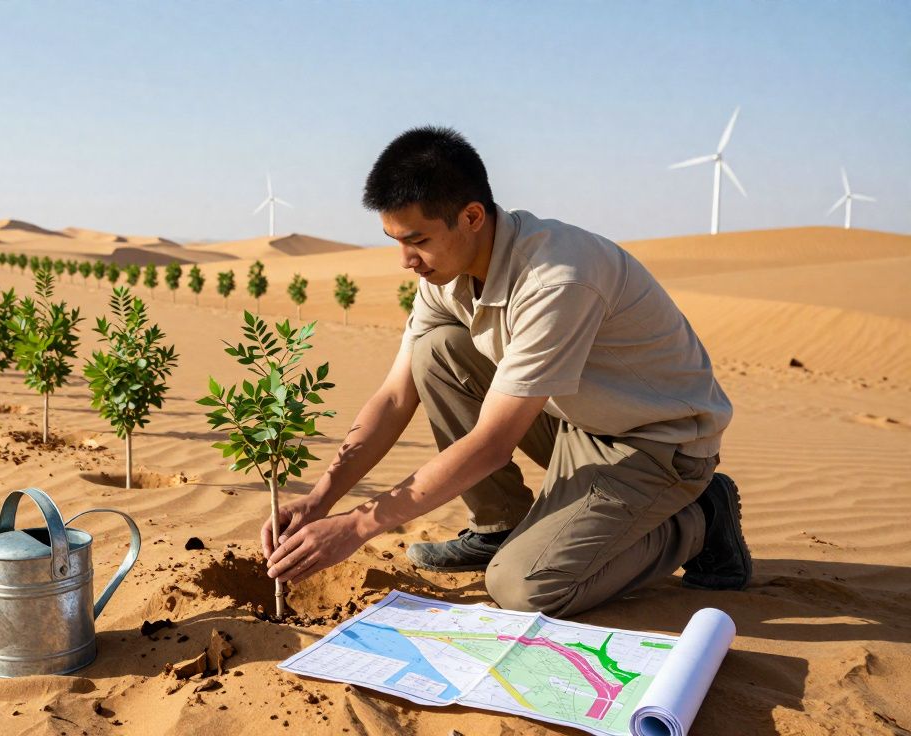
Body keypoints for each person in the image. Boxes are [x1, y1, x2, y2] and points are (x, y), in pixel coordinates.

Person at [262, 126, 750, 617]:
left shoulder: (556, 280)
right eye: (395, 241)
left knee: (525, 588)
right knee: (438, 350)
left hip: (655, 444)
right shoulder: (446, 271)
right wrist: (320, 500)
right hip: (576, 417)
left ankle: (700, 519)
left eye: (418, 241)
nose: (406, 261)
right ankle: (499, 526)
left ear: (472, 216)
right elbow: (394, 396)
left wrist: (358, 526)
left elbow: (492, 444)